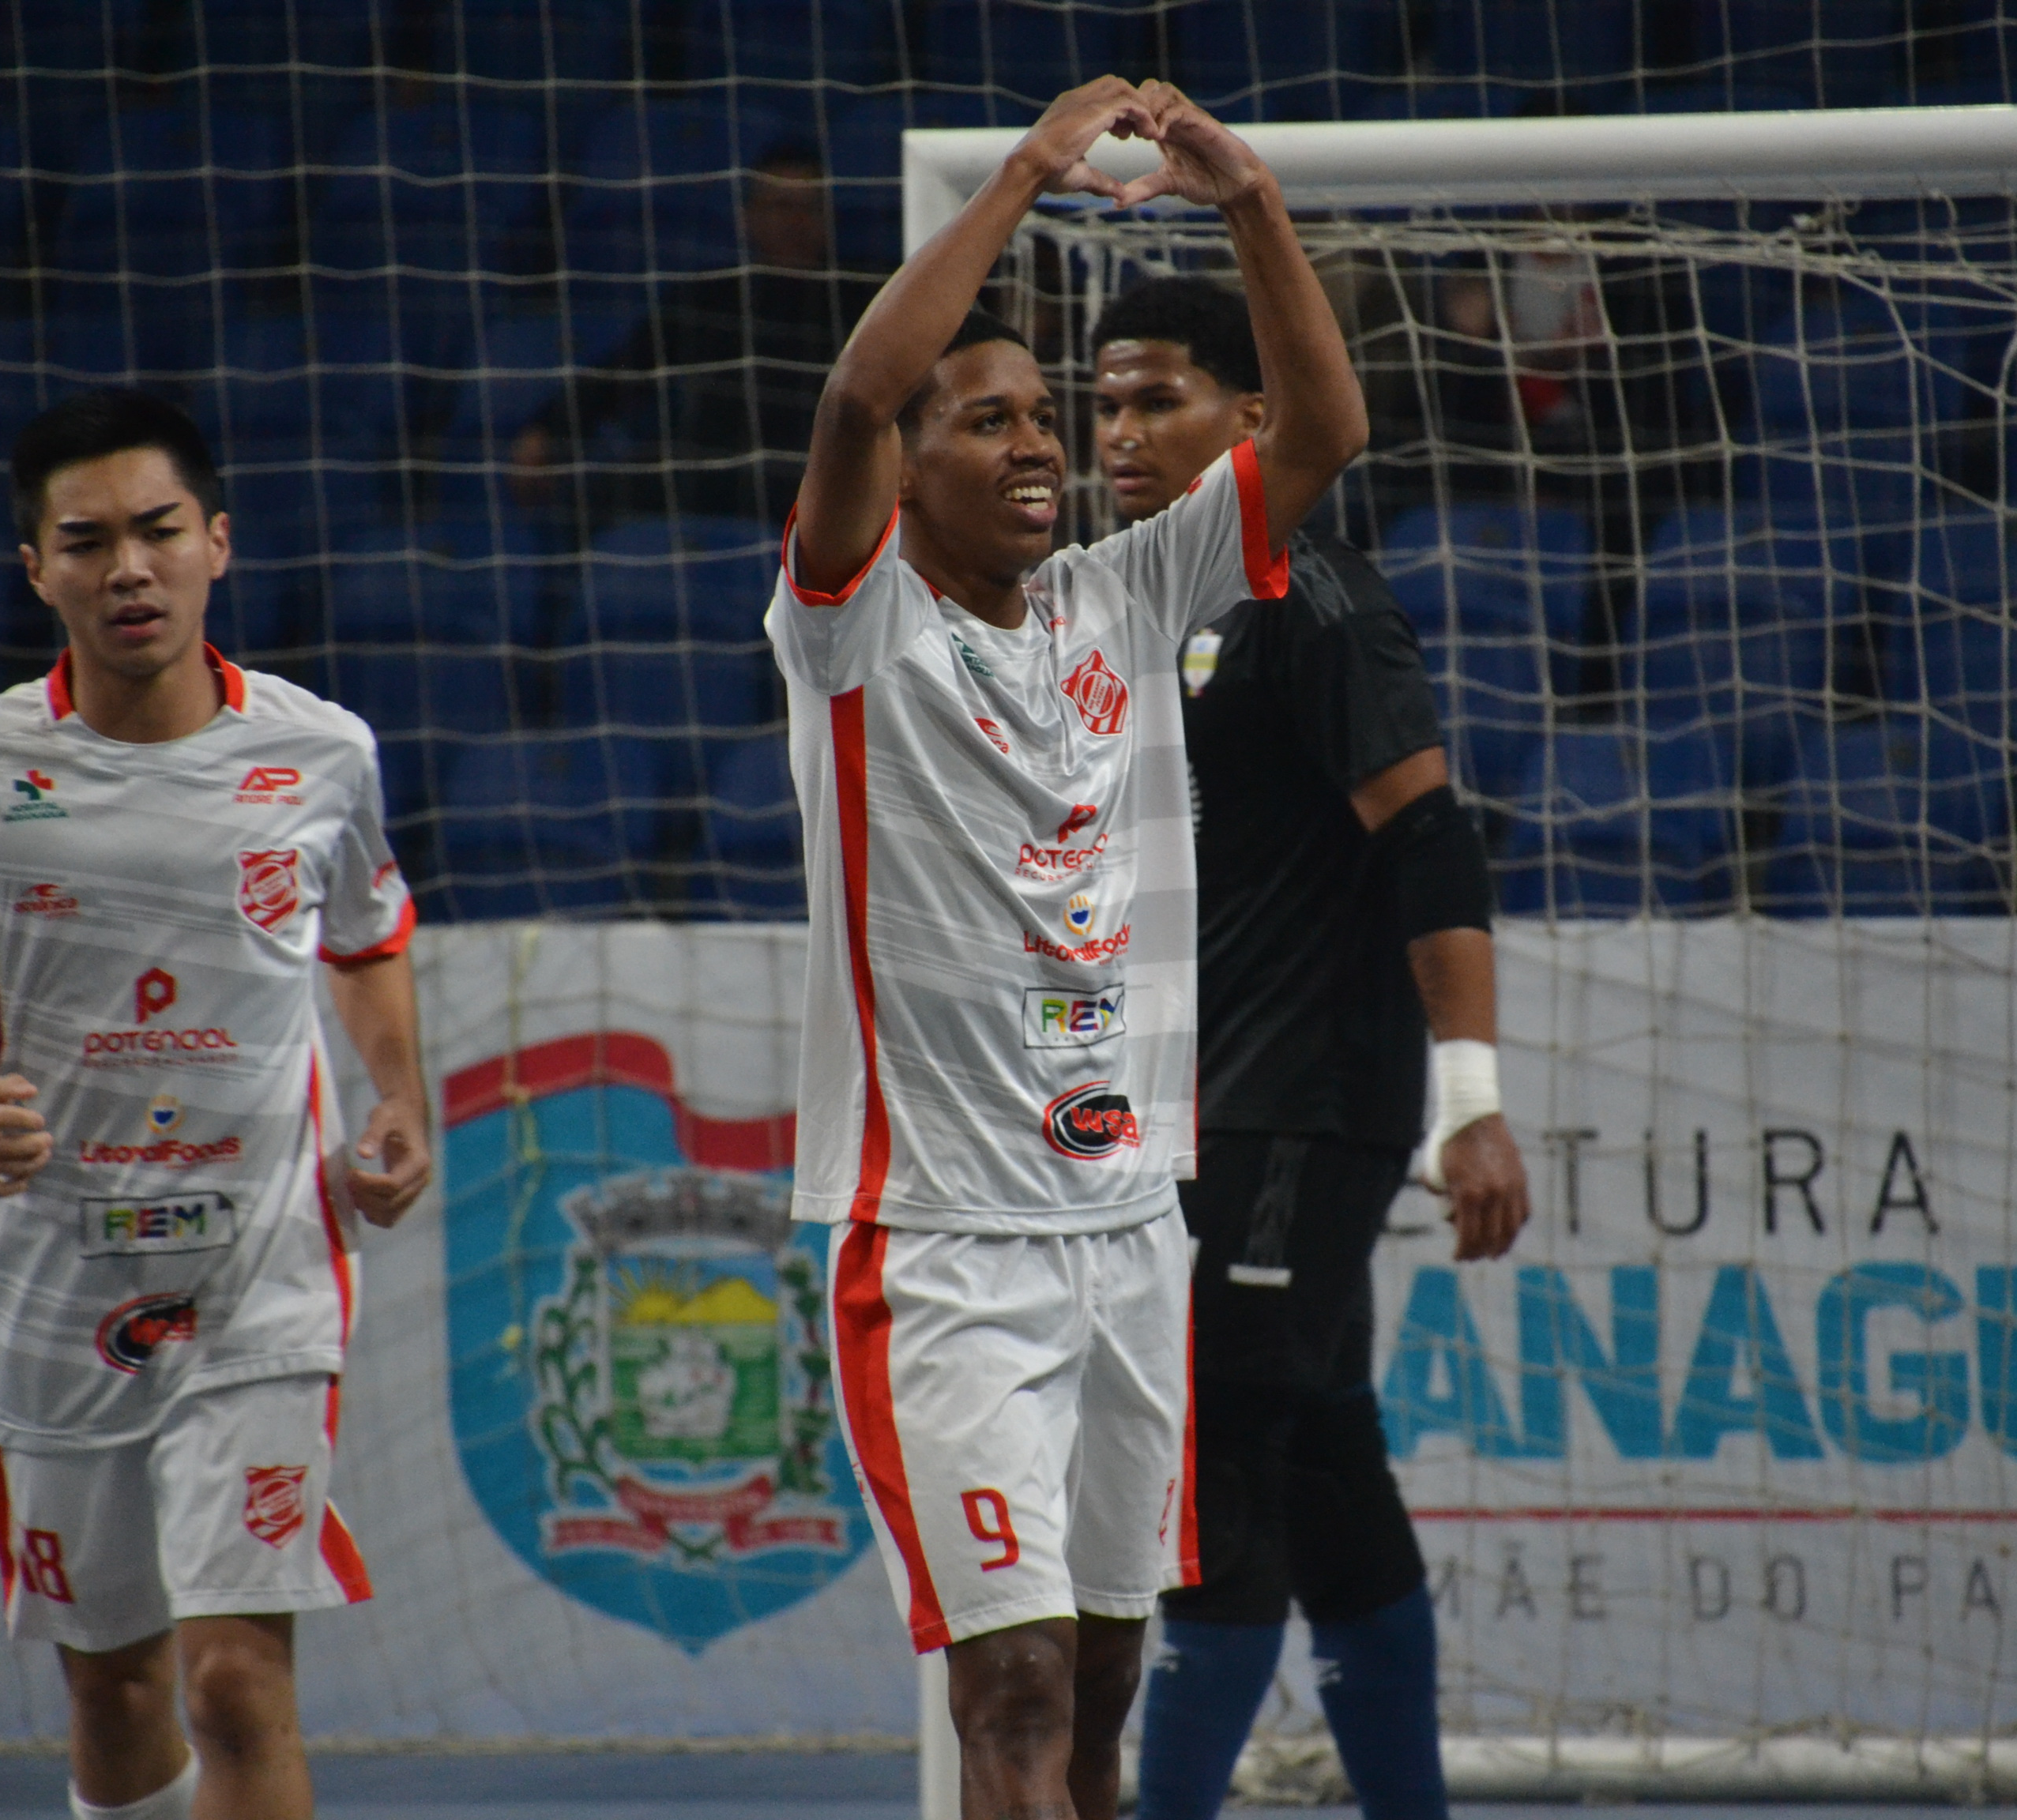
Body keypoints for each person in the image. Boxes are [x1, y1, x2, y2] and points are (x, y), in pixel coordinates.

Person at [763, 78, 1366, 1820]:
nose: (1036, 444)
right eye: (989, 422)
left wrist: (1245, 199)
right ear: (907, 472)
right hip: (947, 1252)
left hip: (1126, 1237)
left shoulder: (1129, 593)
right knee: (1011, 1684)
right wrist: (1029, 175)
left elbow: (1321, 433)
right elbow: (862, 387)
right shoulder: (855, 625)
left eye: (1046, 415)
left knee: (1102, 1688)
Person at [0, 389, 431, 1820]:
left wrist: (398, 1100)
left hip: (262, 1269)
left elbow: (366, 942)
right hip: (55, 1280)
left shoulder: (324, 751)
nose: (129, 568)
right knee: (115, 1682)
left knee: (233, 1680)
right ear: (38, 570)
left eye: (159, 531)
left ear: (217, 542)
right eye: (86, 542)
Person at [1086, 276, 1533, 1820]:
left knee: (1218, 1476)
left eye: (1162, 399)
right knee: (1333, 1473)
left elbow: (1429, 840)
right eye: (1110, 403)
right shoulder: (1141, 607)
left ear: (1254, 417)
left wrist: (1468, 1102)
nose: (1124, 434)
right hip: (1200, 1119)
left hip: (1303, 1113)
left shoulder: (1318, 597)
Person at [510, 145, 881, 529]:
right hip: (713, 477)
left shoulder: (867, 300)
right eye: (780, 207)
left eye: (810, 207)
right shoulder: (709, 299)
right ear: (747, 217)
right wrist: (548, 429)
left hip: (822, 481)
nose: (796, 222)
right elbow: (627, 371)